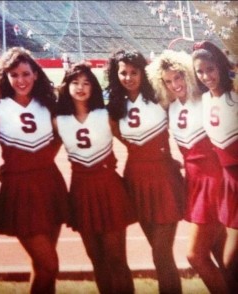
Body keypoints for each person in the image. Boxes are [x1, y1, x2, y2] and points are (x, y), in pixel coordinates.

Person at [0, 47, 68, 294]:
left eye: (25, 74)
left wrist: (40, 160)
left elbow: (58, 137)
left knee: (44, 267)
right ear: (5, 77)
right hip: (19, 190)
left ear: (35, 75)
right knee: (49, 264)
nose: (20, 80)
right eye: (14, 75)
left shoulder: (47, 104)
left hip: (49, 183)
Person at [146, 49, 228, 294]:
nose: (175, 85)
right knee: (222, 253)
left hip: (214, 180)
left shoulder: (205, 100)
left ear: (188, 74)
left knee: (195, 255)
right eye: (168, 81)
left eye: (179, 77)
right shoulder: (171, 107)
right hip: (193, 182)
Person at [106, 49, 184, 294]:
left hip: (164, 179)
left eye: (133, 72)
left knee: (162, 255)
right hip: (135, 181)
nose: (128, 77)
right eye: (123, 73)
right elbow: (121, 138)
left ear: (143, 72)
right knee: (156, 253)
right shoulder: (116, 108)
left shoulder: (161, 96)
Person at [54, 62, 134, 294]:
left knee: (117, 259)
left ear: (94, 87)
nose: (80, 87)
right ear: (66, 86)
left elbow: (132, 143)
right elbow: (45, 155)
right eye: (75, 82)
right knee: (97, 260)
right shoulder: (58, 121)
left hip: (108, 188)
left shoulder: (106, 115)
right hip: (81, 191)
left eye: (86, 83)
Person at [192, 40, 238, 294]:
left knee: (231, 262)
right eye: (200, 71)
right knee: (229, 264)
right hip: (228, 184)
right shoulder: (205, 100)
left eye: (210, 69)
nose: (206, 76)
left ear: (220, 66)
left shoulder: (236, 94)